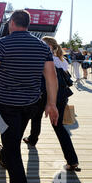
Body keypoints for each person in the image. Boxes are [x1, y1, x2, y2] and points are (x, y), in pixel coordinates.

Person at [0, 10, 58, 183]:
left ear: (12, 22)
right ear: (27, 24)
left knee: (13, 148)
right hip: (32, 104)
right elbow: (51, 76)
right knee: (13, 139)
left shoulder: (3, 43)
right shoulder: (42, 46)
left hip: (9, 104)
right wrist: (51, 103)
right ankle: (4, 155)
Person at [23, 36, 80, 171]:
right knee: (58, 126)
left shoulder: (44, 60)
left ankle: (32, 139)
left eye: (43, 45)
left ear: (50, 47)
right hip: (61, 96)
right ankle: (72, 160)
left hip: (44, 94)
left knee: (36, 117)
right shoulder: (62, 60)